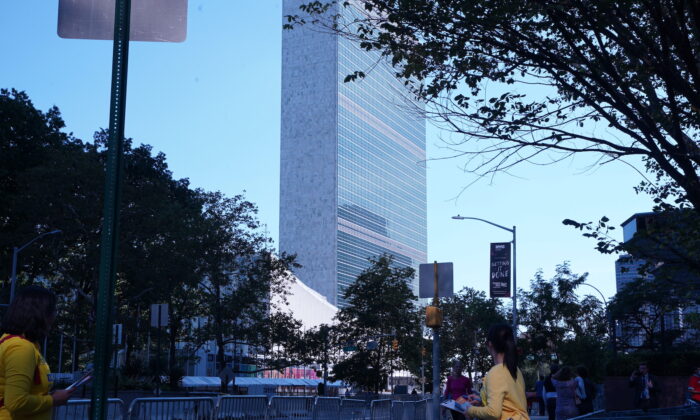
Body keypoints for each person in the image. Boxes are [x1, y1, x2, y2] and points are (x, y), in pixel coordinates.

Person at [0, 286, 73, 419]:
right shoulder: (21, 348)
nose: (54, 316)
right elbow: (16, 402)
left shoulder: (15, 342)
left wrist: (49, 395)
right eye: (52, 311)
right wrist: (53, 400)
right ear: (40, 314)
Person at [461, 324, 529, 420]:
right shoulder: (516, 370)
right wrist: (482, 401)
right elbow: (509, 404)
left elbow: (493, 412)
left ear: (490, 344)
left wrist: (470, 410)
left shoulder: (496, 372)